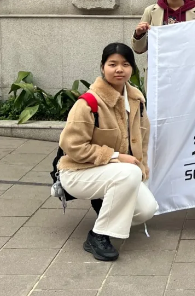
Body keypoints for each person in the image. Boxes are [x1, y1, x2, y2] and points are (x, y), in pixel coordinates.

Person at [58, 43, 158, 262]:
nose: (119, 69)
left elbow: (142, 141)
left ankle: (106, 206)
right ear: (102, 67)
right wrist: (116, 157)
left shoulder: (137, 101)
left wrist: (141, 168)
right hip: (77, 171)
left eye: (125, 64)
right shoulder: (89, 102)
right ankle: (97, 236)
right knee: (129, 173)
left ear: (132, 68)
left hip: (115, 172)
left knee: (147, 210)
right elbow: (72, 146)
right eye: (112, 64)